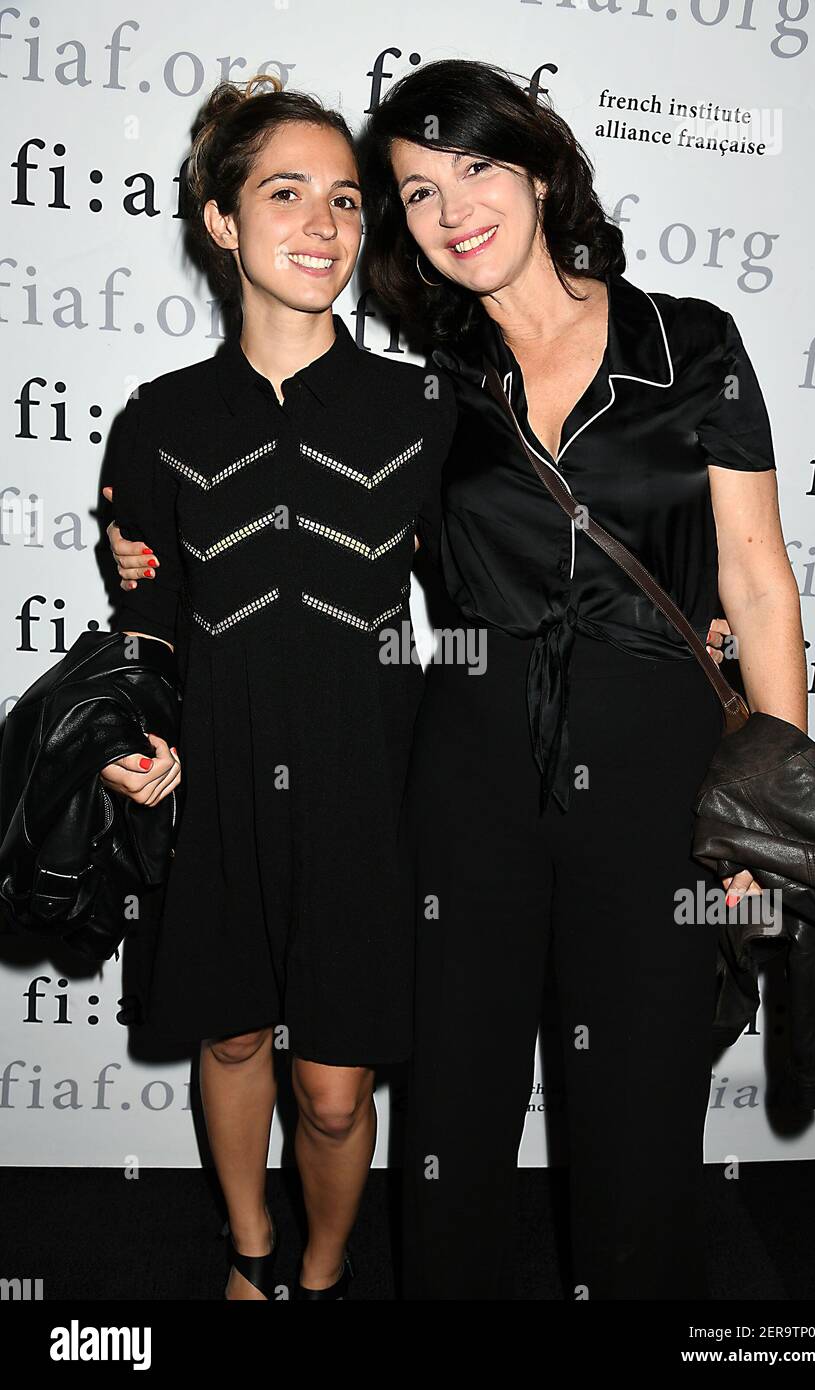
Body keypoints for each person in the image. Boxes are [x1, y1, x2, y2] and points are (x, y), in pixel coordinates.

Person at [358, 58, 808, 1299]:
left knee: (643, 1113)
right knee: (450, 1112)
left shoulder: (693, 344)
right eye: (413, 192)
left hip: (657, 768)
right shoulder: (421, 394)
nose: (450, 209)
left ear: (544, 170)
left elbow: (759, 585)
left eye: (476, 167)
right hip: (468, 770)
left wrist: (764, 815)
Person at [99, 74, 455, 1300]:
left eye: (346, 201)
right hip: (224, 780)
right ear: (221, 222)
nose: (323, 225)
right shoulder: (156, 420)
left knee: (334, 1084)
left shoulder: (425, 408)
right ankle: (250, 1255)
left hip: (370, 789)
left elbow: (493, 599)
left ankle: (319, 1270)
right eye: (285, 193)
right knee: (234, 1032)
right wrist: (133, 730)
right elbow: (145, 623)